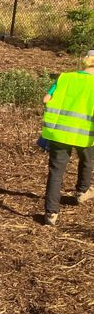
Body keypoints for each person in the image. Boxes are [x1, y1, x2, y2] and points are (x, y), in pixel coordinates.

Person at [40, 51, 94, 225]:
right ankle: (82, 192)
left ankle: (51, 214)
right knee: (87, 161)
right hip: (86, 135)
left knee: (56, 172)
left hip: (60, 132)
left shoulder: (65, 78)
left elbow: (46, 99)